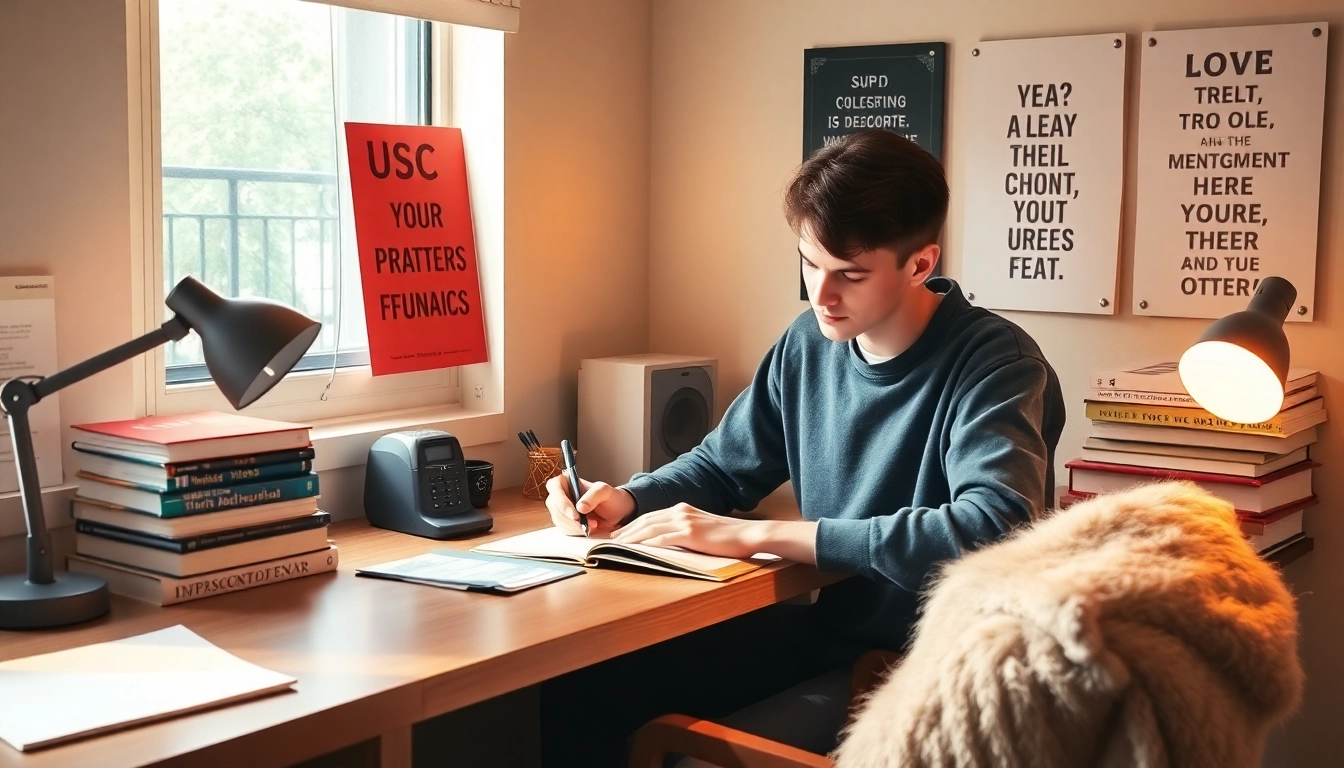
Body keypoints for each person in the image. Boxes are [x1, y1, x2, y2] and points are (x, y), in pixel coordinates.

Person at [539, 128, 1066, 767]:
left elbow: (989, 528)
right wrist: (626, 498)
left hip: (928, 664)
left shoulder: (996, 364)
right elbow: (724, 465)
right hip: (833, 634)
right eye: (809, 263)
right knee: (586, 682)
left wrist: (762, 537)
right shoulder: (808, 344)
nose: (821, 295)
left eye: (850, 274)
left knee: (682, 750)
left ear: (921, 264)